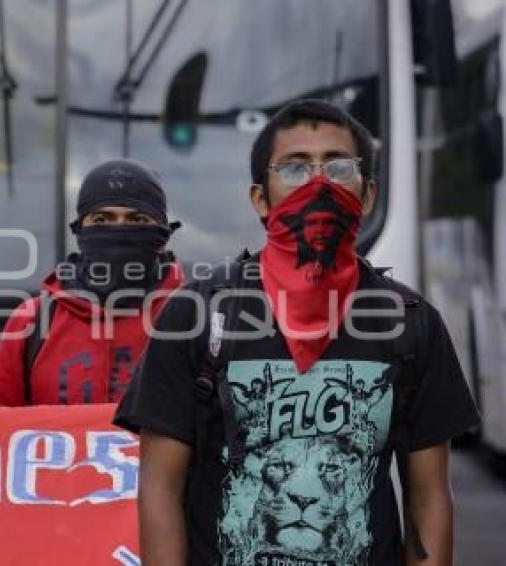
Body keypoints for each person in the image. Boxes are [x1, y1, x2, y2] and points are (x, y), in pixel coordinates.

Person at [114, 100, 480, 565]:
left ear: (367, 195)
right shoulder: (195, 315)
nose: (319, 184)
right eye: (294, 168)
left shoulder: (413, 322)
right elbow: (160, 488)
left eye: (338, 166)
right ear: (260, 200)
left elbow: (428, 497)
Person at [0, 158, 184, 406]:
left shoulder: (193, 317)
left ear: (164, 231)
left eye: (137, 220)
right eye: (102, 220)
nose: (119, 230)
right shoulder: (32, 321)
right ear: (79, 229)